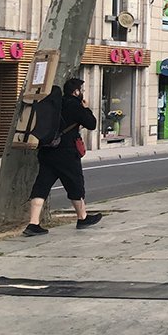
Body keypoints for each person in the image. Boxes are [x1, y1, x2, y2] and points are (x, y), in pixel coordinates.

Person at [24, 78, 101, 236]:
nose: (83, 93)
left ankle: (33, 223)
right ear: (76, 92)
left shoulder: (52, 103)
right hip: (66, 152)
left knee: (42, 185)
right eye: (82, 90)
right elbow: (91, 124)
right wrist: (86, 108)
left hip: (46, 151)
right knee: (75, 183)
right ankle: (82, 217)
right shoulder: (74, 105)